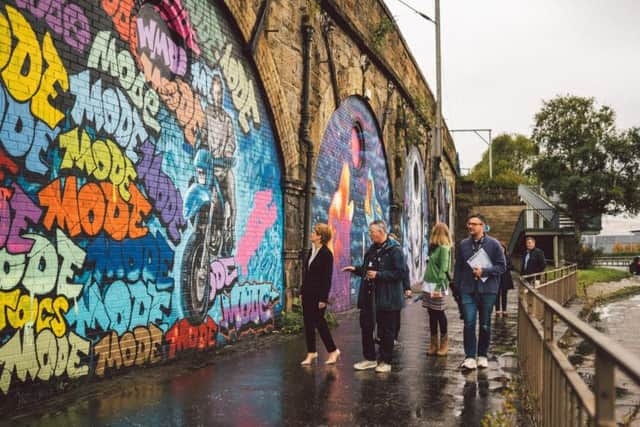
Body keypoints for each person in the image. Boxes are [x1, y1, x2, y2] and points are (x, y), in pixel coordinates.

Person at [342, 220, 409, 373]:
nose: (370, 234)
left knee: (387, 330)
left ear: (381, 231)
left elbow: (400, 273)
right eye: (370, 231)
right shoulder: (372, 249)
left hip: (388, 297)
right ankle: (370, 359)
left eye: (372, 231)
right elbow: (368, 269)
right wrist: (356, 269)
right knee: (366, 326)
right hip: (369, 296)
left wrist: (380, 275)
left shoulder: (395, 250)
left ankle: (385, 361)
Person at [454, 213, 506, 371]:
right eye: (469, 223)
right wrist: (457, 288)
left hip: (488, 290)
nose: (470, 226)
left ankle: (482, 355)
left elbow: (502, 267)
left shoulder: (494, 244)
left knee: (484, 324)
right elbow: (459, 268)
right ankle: (470, 356)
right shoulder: (463, 245)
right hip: (468, 290)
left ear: (482, 226)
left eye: (474, 224)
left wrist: (484, 271)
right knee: (469, 322)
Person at [203, 75, 237, 256]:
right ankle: (203, 229)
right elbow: (201, 133)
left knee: (231, 198)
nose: (218, 97)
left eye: (221, 93)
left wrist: (227, 154)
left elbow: (232, 141)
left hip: (224, 166)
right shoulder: (206, 114)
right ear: (211, 94)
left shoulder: (228, 120)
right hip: (209, 166)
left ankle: (230, 231)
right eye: (215, 93)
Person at [300, 223, 341, 366]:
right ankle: (311, 353)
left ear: (320, 236)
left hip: (318, 296)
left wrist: (323, 298)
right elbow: (308, 274)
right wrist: (302, 291)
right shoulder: (312, 252)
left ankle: (333, 351)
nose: (311, 234)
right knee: (308, 323)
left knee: (319, 322)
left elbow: (326, 278)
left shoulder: (326, 254)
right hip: (307, 293)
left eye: (314, 232)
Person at [422, 223, 452, 356]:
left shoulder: (444, 248)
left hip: (437, 285)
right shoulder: (434, 248)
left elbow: (444, 269)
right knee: (431, 314)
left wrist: (439, 287)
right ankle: (433, 344)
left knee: (439, 313)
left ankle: (444, 344)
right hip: (428, 284)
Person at [495, 243, 514, 317]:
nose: (501, 250)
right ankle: (497, 310)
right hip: (497, 278)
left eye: (502, 249)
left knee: (504, 294)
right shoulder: (495, 257)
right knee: (497, 294)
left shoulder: (507, 257)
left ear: (504, 249)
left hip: (505, 278)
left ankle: (504, 310)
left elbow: (512, 266)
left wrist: (505, 267)